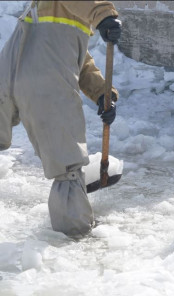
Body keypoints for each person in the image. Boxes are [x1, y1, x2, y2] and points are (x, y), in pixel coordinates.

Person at [0, 1, 122, 236]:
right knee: (68, 164)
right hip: (42, 79)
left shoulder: (56, 15)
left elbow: (78, 59)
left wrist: (103, 94)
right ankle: (73, 236)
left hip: (10, 75)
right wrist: (104, 15)